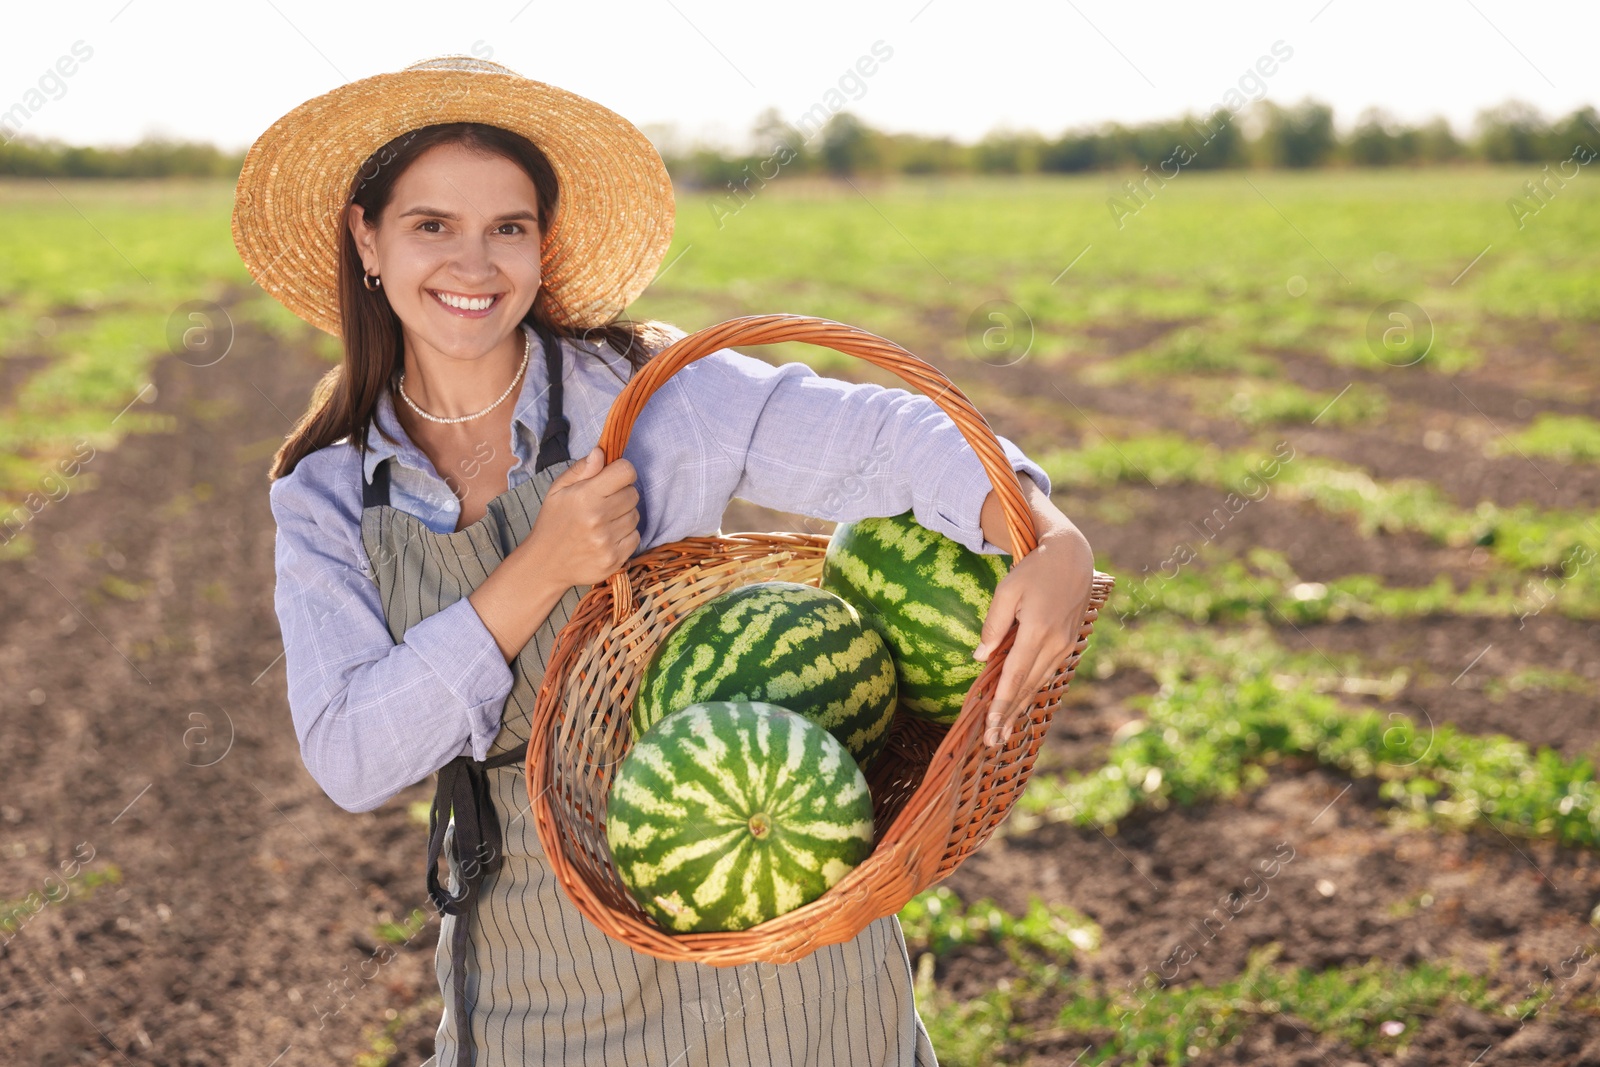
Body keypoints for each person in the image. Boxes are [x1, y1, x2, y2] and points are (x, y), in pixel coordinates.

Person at [240, 56, 1095, 1067]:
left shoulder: (654, 393)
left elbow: (889, 441)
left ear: (540, 245)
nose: (474, 266)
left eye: (507, 228)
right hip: (535, 947)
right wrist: (539, 569)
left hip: (777, 928)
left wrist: (1041, 528)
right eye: (433, 225)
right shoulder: (330, 490)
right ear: (366, 237)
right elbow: (350, 754)